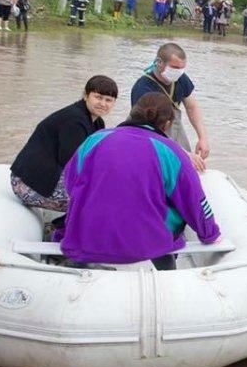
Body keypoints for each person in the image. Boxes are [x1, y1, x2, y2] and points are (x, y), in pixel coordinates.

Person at [56, 94, 220, 270]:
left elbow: (71, 182)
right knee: (170, 206)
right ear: (167, 124)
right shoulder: (171, 151)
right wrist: (210, 234)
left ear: (131, 115)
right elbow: (193, 199)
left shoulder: (95, 139)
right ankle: (166, 273)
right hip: (146, 245)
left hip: (86, 239)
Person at [8, 75, 117, 213]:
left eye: (108, 100)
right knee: (98, 199)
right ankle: (73, 231)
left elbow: (97, 158)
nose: (103, 103)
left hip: (48, 175)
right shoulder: (74, 121)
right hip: (26, 184)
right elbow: (72, 164)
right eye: (98, 97)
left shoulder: (97, 123)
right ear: (85, 95)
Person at [130, 42, 211, 169]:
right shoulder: (143, 88)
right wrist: (183, 154)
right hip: (150, 138)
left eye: (182, 68)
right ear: (159, 62)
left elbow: (192, 107)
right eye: (174, 68)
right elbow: (147, 129)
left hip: (174, 131)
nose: (178, 72)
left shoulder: (180, 79)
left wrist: (202, 138)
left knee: (189, 167)